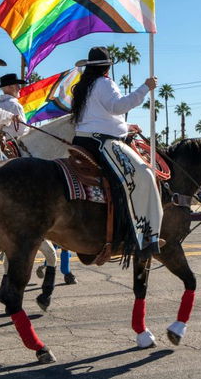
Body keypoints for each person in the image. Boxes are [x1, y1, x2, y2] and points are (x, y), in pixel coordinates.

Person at [70, 46, 162, 256]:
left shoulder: (83, 86)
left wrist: (125, 127)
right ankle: (146, 235)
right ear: (106, 67)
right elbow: (118, 107)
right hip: (102, 143)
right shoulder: (104, 83)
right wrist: (145, 87)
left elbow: (101, 116)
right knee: (146, 175)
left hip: (82, 140)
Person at [0, 73, 30, 139]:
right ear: (10, 86)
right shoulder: (14, 105)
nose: (19, 88)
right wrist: (29, 129)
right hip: (13, 143)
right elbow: (22, 131)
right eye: (17, 85)